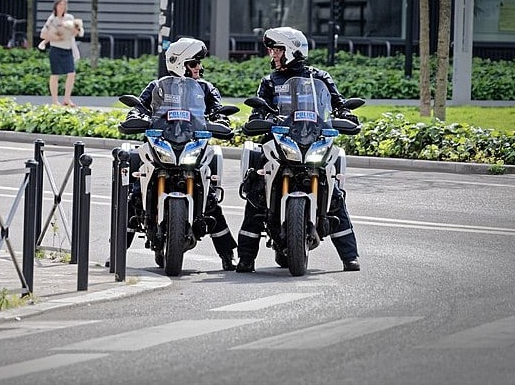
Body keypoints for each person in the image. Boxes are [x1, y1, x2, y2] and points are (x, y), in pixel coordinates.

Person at [235, 26, 362, 273]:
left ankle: (350, 256)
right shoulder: (269, 81)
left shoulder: (320, 78)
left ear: (291, 51)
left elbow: (336, 104)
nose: (272, 55)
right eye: (272, 50)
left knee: (334, 193)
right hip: (280, 142)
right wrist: (257, 118)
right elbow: (258, 110)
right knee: (256, 191)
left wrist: (345, 114)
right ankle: (246, 258)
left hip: (313, 140)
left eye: (276, 50)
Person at [123, 37, 238, 271]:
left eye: (199, 64)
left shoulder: (205, 88)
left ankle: (228, 254)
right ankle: (117, 251)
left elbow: (217, 111)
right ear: (181, 63)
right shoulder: (157, 86)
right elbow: (140, 107)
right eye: (194, 63)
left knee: (211, 201)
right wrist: (135, 117)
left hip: (192, 145)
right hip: (162, 144)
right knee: (135, 196)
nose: (199, 68)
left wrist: (221, 120)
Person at [38, 0, 82, 107]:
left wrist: (74, 30)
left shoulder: (69, 18)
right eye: (60, 4)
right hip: (56, 49)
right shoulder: (52, 19)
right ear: (55, 5)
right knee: (55, 74)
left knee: (71, 74)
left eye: (64, 4)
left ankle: (67, 99)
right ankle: (55, 101)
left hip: (68, 49)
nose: (62, 7)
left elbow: (76, 32)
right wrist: (55, 37)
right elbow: (43, 34)